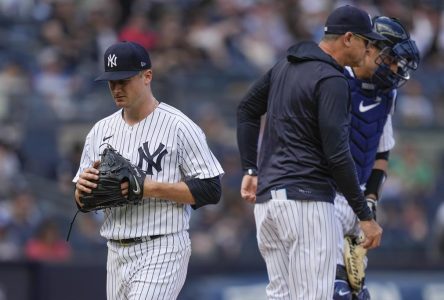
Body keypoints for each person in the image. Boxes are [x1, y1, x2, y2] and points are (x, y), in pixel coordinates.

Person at [236, 5, 385, 299]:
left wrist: (250, 169)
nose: (368, 50)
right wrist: (364, 215)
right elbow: (337, 153)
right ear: (348, 38)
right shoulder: (332, 79)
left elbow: (246, 109)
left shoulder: (284, 66)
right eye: (366, 42)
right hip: (307, 205)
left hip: (268, 207)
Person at [73, 41, 224, 300]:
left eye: (124, 80)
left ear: (147, 76)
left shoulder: (179, 126)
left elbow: (211, 189)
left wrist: (148, 187)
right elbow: (83, 202)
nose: (117, 88)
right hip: (116, 251)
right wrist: (82, 191)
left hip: (162, 245)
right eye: (112, 82)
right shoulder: (99, 131)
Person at [333, 16, 420, 300]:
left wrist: (370, 200)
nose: (396, 68)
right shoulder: (334, 79)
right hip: (326, 196)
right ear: (372, 48)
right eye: (393, 59)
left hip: (358, 202)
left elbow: (381, 152)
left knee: (358, 294)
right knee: (334, 291)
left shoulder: (388, 94)